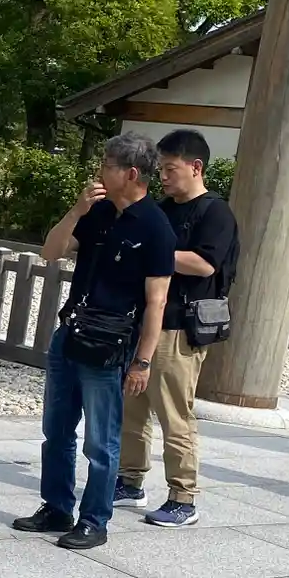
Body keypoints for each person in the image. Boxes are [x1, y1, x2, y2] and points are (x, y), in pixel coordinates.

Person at [12, 133, 176, 551]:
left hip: (110, 343)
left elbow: (157, 301)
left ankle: (94, 520)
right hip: (70, 331)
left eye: (107, 165)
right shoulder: (98, 212)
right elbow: (51, 252)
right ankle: (56, 507)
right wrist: (76, 210)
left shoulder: (156, 227)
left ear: (131, 174)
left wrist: (142, 361)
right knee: (56, 430)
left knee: (101, 441)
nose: (100, 170)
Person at [115, 127, 239, 529]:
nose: (163, 177)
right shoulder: (163, 208)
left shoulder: (215, 213)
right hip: (143, 321)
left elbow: (204, 265)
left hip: (180, 329)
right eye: (160, 169)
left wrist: (154, 250)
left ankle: (183, 497)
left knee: (174, 415)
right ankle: (129, 480)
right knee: (131, 409)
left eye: (170, 169)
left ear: (195, 167)